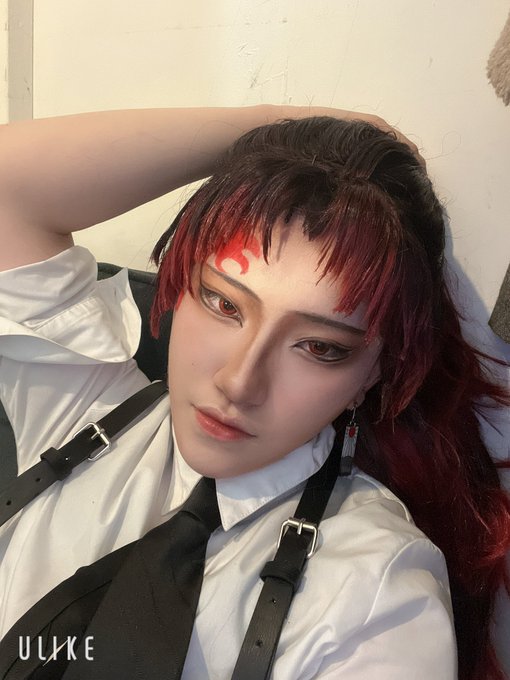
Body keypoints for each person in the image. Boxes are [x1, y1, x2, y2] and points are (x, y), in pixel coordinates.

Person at [0, 105, 507, 680]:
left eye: (319, 347)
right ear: (179, 285)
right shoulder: (87, 407)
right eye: (223, 303)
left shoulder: (377, 602)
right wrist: (285, 130)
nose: (239, 383)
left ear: (370, 376)